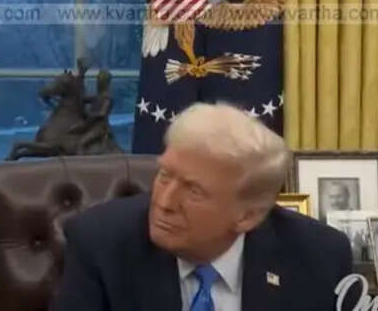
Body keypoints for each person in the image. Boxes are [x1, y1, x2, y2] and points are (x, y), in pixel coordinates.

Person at [52, 103, 354, 311]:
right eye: (165, 175)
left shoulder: (319, 256)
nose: (164, 202)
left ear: (248, 215)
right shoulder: (100, 244)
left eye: (194, 191)